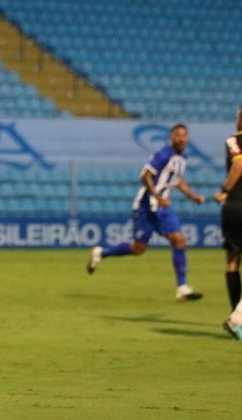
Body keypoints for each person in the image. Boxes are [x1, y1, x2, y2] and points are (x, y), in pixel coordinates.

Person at [87, 123, 206, 301]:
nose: (181, 138)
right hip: (146, 207)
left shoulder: (182, 159)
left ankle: (182, 288)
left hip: (163, 209)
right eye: (178, 135)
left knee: (179, 241)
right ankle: (101, 253)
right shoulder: (164, 154)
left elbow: (177, 180)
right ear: (171, 137)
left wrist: (192, 196)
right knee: (138, 248)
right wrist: (157, 197)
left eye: (184, 135)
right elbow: (145, 175)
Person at [214, 107, 242, 339]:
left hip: (233, 209)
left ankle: (236, 316)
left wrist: (225, 193)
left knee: (232, 262)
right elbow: (239, 164)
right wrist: (225, 190)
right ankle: (237, 319)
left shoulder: (233, 140)